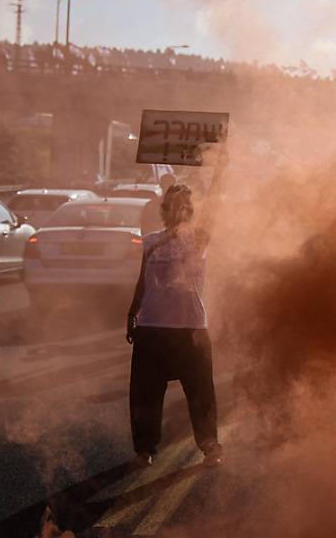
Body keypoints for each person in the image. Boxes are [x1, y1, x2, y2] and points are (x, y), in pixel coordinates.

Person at [126, 146, 228, 467]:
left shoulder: (198, 238)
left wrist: (220, 171)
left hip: (190, 328)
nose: (179, 210)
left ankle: (209, 445)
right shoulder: (150, 241)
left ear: (191, 211)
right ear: (165, 210)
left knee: (200, 392)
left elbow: (214, 207)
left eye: (185, 206)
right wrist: (132, 313)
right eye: (173, 205)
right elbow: (143, 280)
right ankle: (145, 449)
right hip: (152, 327)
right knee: (145, 394)